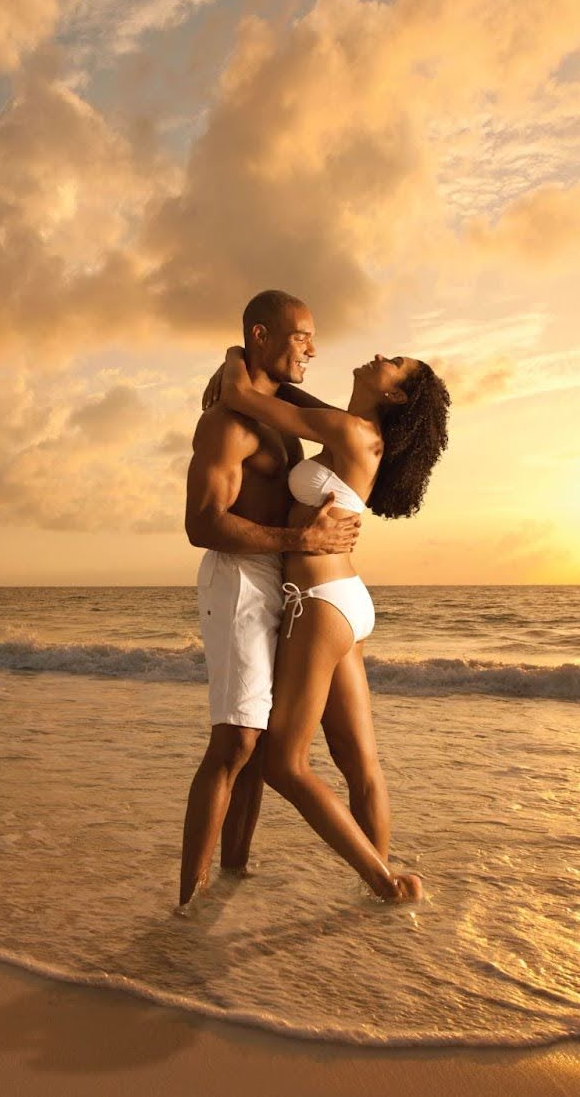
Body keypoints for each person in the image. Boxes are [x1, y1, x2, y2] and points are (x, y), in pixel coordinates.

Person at [213, 343, 450, 903]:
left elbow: (239, 395)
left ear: (394, 394)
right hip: (342, 598)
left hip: (319, 602)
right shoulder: (354, 430)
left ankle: (384, 881)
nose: (379, 355)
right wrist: (272, 375)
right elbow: (290, 398)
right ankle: (380, 897)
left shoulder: (346, 432)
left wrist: (235, 352)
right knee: (359, 765)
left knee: (284, 764)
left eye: (394, 363)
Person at [177, 291, 363, 912]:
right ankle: (188, 903)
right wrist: (299, 538)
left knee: (256, 748)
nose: (314, 348)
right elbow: (202, 523)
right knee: (234, 741)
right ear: (263, 334)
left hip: (279, 579)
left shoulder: (273, 413)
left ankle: (230, 875)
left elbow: (341, 422)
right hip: (237, 579)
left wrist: (235, 364)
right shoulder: (227, 425)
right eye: (302, 336)